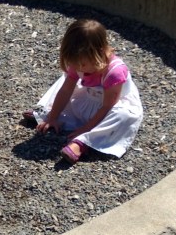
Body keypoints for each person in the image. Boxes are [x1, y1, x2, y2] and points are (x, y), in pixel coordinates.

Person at [25, 19, 143, 164]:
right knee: (64, 81)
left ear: (98, 53)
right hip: (87, 98)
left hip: (109, 109)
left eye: (82, 64)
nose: (78, 68)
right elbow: (66, 90)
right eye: (73, 63)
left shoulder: (114, 72)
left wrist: (85, 129)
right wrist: (53, 117)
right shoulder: (78, 63)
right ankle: (47, 113)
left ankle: (84, 143)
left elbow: (107, 106)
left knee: (124, 116)